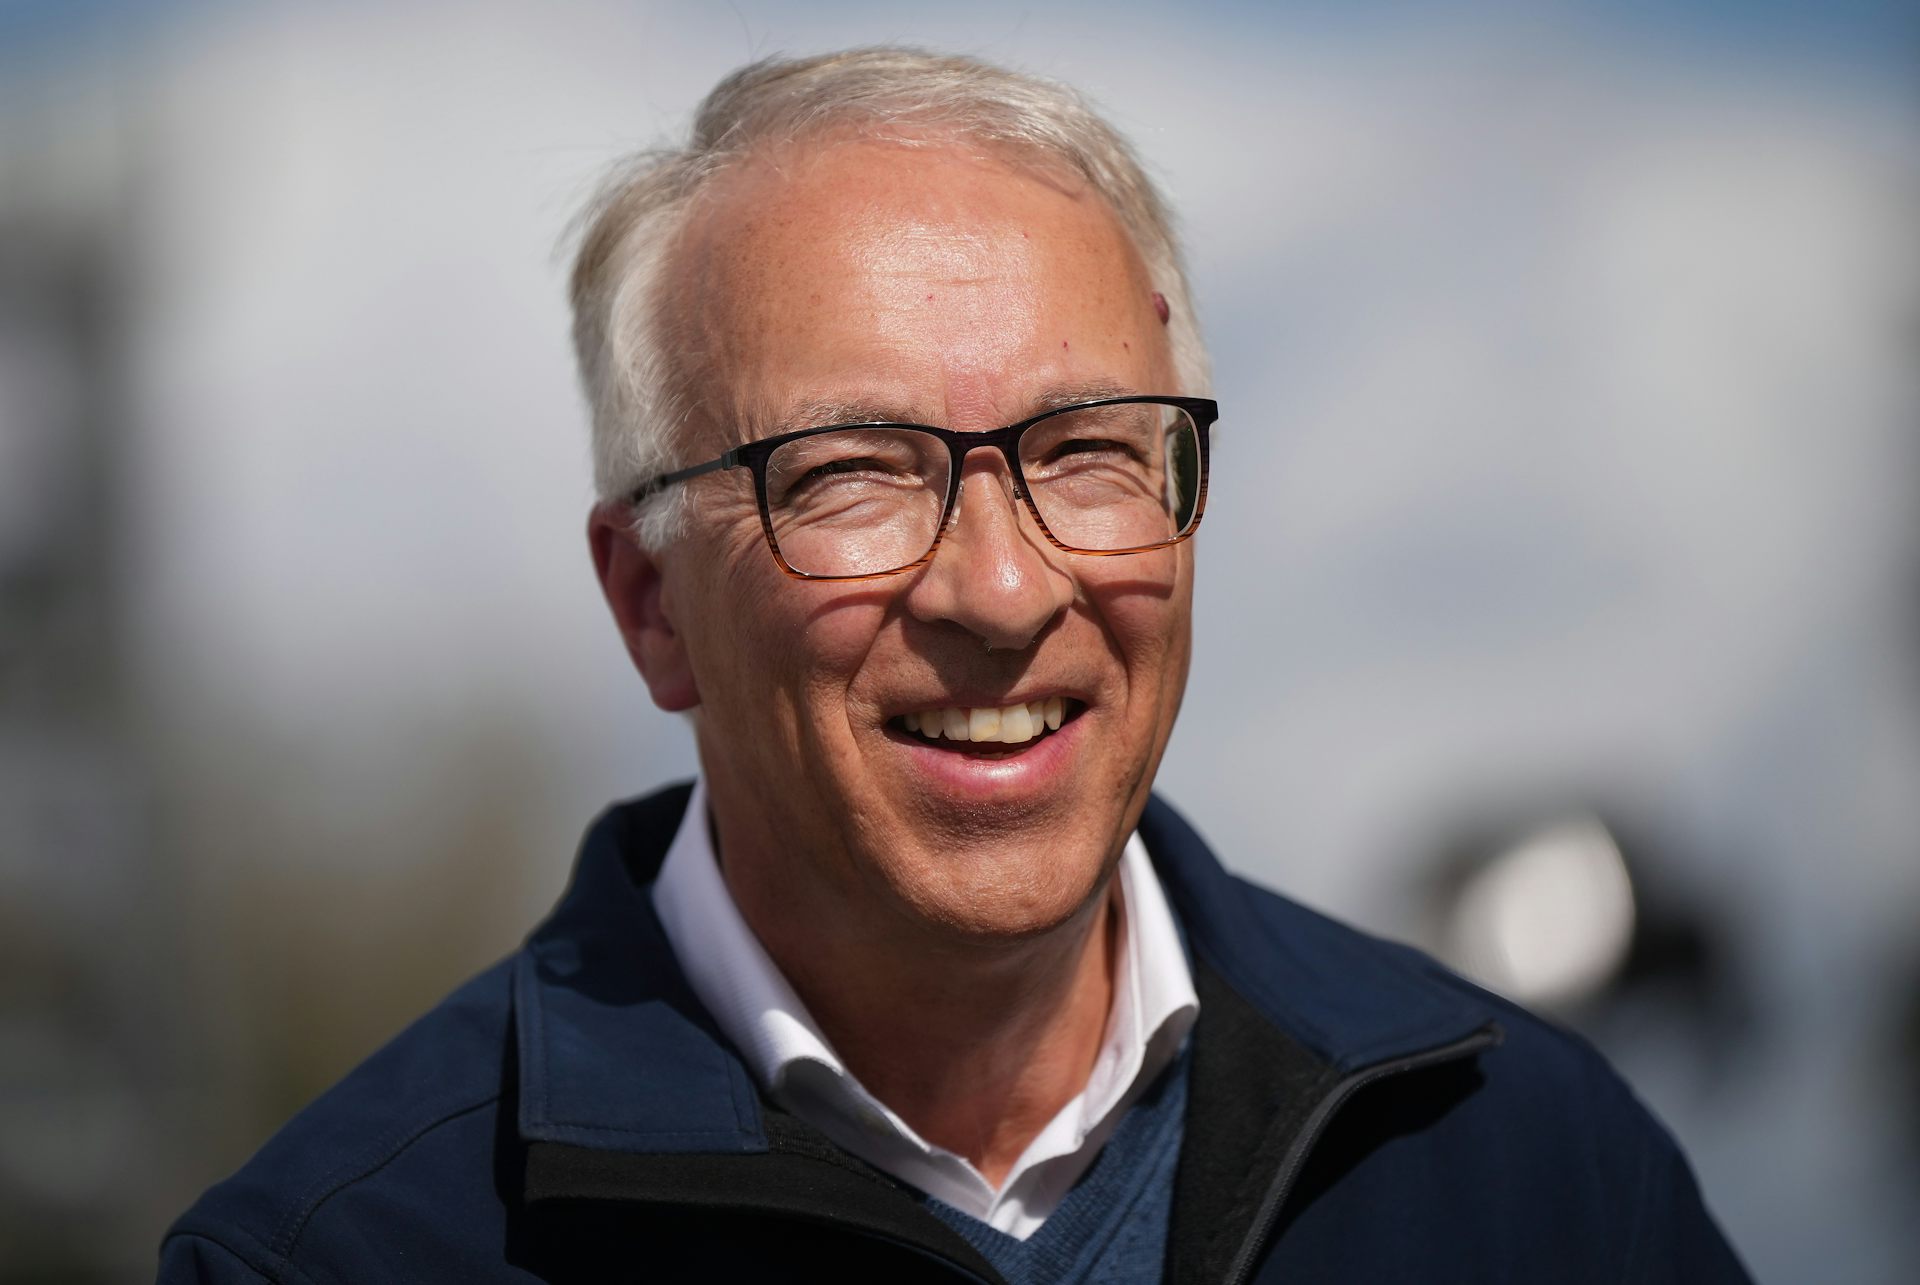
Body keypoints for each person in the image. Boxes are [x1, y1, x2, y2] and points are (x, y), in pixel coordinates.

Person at [160, 48, 1749, 1283]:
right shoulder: (348, 1256)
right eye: (852, 473)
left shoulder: (1533, 1171)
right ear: (651, 603)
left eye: (1089, 451)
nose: (1001, 589)